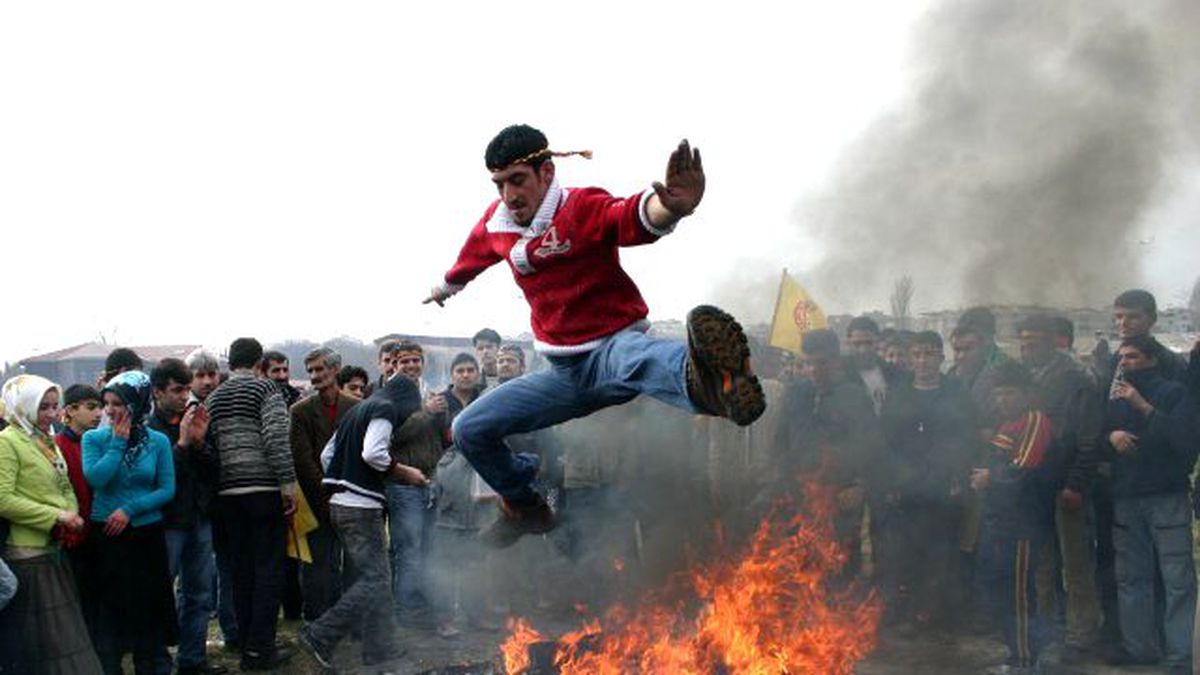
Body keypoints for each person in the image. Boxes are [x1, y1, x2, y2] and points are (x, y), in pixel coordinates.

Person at [423, 124, 764, 547]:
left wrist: (670, 207)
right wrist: (444, 288)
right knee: (469, 427)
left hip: (610, 349)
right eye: (500, 184)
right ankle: (525, 508)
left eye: (518, 180)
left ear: (546, 173)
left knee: (639, 357)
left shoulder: (580, 208)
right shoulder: (497, 225)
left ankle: (719, 386)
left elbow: (630, 215)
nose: (509, 195)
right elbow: (471, 259)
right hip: (562, 374)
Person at [297, 374, 425, 672]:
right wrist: (405, 473)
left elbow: (327, 455)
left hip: (342, 503)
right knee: (376, 580)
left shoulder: (357, 410)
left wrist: (342, 479)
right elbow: (373, 453)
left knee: (376, 578)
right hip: (361, 507)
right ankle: (320, 634)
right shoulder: (386, 408)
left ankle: (379, 648)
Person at [1103, 335, 1197, 672]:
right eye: (1122, 357)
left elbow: (1185, 441)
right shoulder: (1115, 396)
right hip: (1127, 497)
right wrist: (1111, 436)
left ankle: (1180, 657)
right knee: (1131, 578)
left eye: (1133, 357)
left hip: (1166, 496)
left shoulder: (1174, 394)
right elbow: (1100, 435)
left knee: (1177, 580)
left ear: (1152, 359)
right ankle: (1139, 648)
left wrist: (1144, 407)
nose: (1125, 363)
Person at [204, 338, 297, 671]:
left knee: (241, 573)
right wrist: (288, 486)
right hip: (263, 491)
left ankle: (247, 645)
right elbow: (275, 438)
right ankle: (261, 649)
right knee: (269, 572)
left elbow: (210, 446)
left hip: (227, 496)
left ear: (230, 363)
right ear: (259, 363)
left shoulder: (214, 398)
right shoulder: (266, 389)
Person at [0, 375, 102, 674]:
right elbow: (3, 499)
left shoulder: (44, 440)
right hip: (28, 553)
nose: (51, 414)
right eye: (42, 407)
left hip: (53, 548)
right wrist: (56, 516)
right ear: (23, 407)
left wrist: (70, 513)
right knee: (48, 644)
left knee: (65, 638)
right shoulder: (8, 442)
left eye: (54, 406)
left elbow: (63, 484)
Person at [1016, 315, 1103, 661]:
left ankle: (1082, 633)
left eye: (1034, 341)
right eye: (1023, 341)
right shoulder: (1026, 379)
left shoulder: (1076, 380)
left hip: (1066, 486)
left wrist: (1075, 483)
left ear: (1053, 341)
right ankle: (1048, 630)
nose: (1027, 347)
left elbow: (1088, 438)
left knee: (1076, 563)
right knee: (1042, 564)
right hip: (1035, 487)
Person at [877, 330, 976, 630]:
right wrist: (891, 481)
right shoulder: (898, 393)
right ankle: (907, 614)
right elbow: (886, 441)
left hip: (943, 487)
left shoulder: (957, 392)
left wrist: (957, 476)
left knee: (942, 553)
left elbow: (966, 438)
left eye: (929, 354)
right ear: (911, 358)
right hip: (906, 488)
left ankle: (938, 615)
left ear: (941, 357)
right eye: (917, 354)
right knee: (905, 554)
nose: (923, 361)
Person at [82, 371, 178, 674]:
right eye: (106, 403)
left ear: (137, 404)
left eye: (118, 403)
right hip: (107, 533)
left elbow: (166, 488)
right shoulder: (93, 438)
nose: (110, 410)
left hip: (145, 532)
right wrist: (117, 443)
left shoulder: (157, 441)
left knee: (146, 607)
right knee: (111, 609)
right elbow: (97, 478)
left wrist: (130, 510)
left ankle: (148, 665)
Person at [772, 329, 886, 579]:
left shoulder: (854, 396)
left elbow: (872, 448)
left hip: (840, 497)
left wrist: (860, 486)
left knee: (841, 564)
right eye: (807, 363)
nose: (813, 370)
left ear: (835, 361)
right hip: (799, 495)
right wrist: (783, 481)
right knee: (799, 565)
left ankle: (845, 602)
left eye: (820, 363)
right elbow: (781, 443)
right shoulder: (795, 394)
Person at [972, 362, 1058, 675]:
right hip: (1000, 521)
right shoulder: (1006, 424)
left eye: (1009, 393)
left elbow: (1024, 471)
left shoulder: (1034, 421)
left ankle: (1026, 660)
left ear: (1026, 393)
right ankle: (1017, 653)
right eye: (998, 394)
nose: (1002, 400)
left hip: (1024, 524)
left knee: (1020, 594)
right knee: (1001, 589)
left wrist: (989, 479)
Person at [147, 359, 225, 675]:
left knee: (200, 594)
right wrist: (180, 445)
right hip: (166, 523)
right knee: (160, 594)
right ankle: (157, 662)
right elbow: (156, 478)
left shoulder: (193, 419)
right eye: (177, 390)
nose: (184, 397)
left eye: (185, 389)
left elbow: (213, 470)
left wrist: (200, 443)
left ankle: (192, 659)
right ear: (157, 392)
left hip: (198, 518)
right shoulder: (147, 429)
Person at [289, 347, 359, 621]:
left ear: (335, 369)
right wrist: (326, 495)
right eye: (311, 371)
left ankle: (350, 620)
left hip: (352, 497)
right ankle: (318, 621)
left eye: (320, 369)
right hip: (317, 500)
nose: (315, 375)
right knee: (319, 565)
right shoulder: (300, 411)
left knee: (354, 563)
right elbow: (302, 459)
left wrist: (348, 491)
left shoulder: (356, 408)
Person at [385, 341, 450, 626]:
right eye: (405, 361)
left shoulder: (429, 390)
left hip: (431, 480)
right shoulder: (390, 395)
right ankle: (406, 610)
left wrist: (441, 414)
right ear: (394, 365)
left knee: (429, 548)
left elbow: (439, 437)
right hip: (404, 484)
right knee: (408, 550)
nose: (411, 365)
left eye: (416, 360)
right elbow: (394, 437)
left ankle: (423, 604)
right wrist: (426, 411)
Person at [845, 315, 908, 416]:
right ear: (848, 344)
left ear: (878, 342)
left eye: (869, 343)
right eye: (857, 344)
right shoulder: (840, 375)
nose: (863, 349)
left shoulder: (894, 373)